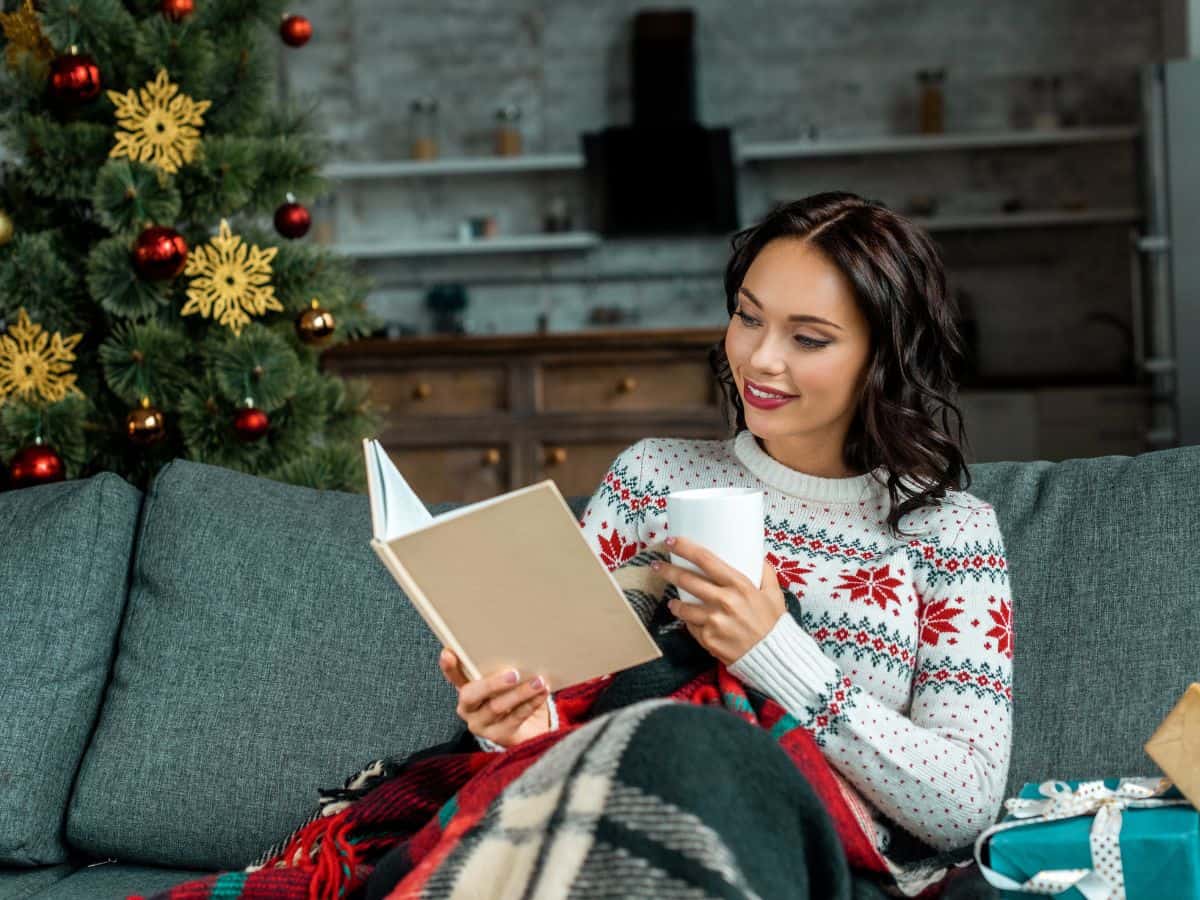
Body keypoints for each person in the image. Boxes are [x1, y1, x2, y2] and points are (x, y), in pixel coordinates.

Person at [436, 190, 1013, 884]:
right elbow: (564, 721)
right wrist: (505, 723)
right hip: (599, 830)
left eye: (808, 338)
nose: (761, 359)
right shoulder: (652, 477)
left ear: (880, 357)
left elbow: (964, 805)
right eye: (748, 318)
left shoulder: (950, 533)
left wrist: (773, 653)